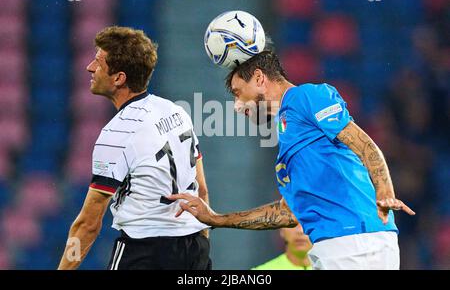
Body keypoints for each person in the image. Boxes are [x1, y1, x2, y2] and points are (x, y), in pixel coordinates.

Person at [169, 51, 416, 270]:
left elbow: (362, 142)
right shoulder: (287, 131)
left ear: (258, 78)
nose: (236, 106)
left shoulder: (307, 96)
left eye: (237, 93)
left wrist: (384, 189)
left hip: (356, 242)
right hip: (334, 246)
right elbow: (287, 213)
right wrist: (217, 219)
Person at [58, 26, 211, 270]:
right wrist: (201, 246)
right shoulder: (177, 111)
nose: (89, 67)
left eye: (98, 62)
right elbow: (201, 189)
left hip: (145, 252)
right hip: (194, 250)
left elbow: (88, 223)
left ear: (119, 78)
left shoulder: (116, 133)